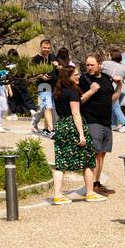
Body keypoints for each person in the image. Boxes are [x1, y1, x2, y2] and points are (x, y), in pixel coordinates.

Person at [51, 63, 103, 204]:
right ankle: (90, 193)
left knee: (60, 163)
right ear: (69, 77)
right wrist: (81, 134)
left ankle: (57, 195)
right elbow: (75, 113)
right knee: (88, 160)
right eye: (76, 74)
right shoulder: (73, 91)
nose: (78, 76)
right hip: (73, 127)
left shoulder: (58, 92)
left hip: (61, 126)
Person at [80, 54, 120, 195]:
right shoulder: (84, 79)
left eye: (92, 65)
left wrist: (119, 85)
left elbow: (112, 99)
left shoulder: (106, 78)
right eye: (87, 65)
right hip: (92, 120)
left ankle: (97, 183)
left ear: (99, 65)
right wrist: (91, 90)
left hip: (106, 121)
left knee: (102, 154)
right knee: (94, 153)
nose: (89, 67)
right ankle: (91, 187)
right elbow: (79, 100)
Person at [29, 39, 57, 138]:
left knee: (45, 108)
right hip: (43, 86)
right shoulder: (36, 59)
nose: (46, 50)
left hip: (54, 85)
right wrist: (41, 75)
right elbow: (32, 74)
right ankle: (52, 129)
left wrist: (58, 66)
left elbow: (58, 68)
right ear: (40, 47)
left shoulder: (52, 57)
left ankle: (39, 125)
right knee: (48, 107)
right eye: (44, 47)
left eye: (48, 48)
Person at [101, 48, 125, 132]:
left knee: (115, 106)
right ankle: (113, 125)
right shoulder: (123, 67)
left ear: (111, 56)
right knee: (113, 106)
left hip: (113, 88)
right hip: (123, 89)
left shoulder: (105, 63)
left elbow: (98, 71)